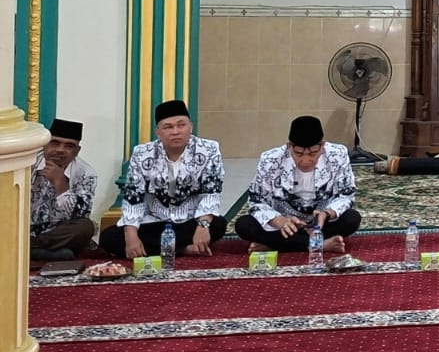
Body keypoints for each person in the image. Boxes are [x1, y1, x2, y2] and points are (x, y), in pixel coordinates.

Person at [99, 100, 227, 259]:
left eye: (181, 125)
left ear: (190, 127)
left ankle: (163, 248)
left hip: (191, 220)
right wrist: (131, 236)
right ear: (158, 132)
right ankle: (185, 249)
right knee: (109, 238)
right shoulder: (142, 154)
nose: (176, 131)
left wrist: (203, 225)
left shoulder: (209, 149)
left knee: (218, 224)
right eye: (168, 127)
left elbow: (211, 192)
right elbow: (133, 198)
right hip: (155, 221)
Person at [233, 116, 361, 254]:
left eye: (313, 153)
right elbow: (256, 201)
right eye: (298, 153)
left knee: (351, 218)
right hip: (284, 223)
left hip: (320, 222)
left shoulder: (338, 155)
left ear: (323, 146)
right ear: (289, 147)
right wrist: (280, 221)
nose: (305, 160)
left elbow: (346, 195)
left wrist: (327, 214)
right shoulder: (270, 159)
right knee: (244, 225)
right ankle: (320, 245)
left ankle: (277, 245)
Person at [30, 118, 98, 261]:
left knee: (86, 227)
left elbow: (80, 215)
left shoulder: (86, 173)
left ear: (77, 151)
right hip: (23, 228)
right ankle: (41, 252)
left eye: (69, 146)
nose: (60, 150)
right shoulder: (28, 163)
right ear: (45, 145)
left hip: (57, 233)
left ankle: (28, 248)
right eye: (55, 143)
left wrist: (60, 183)